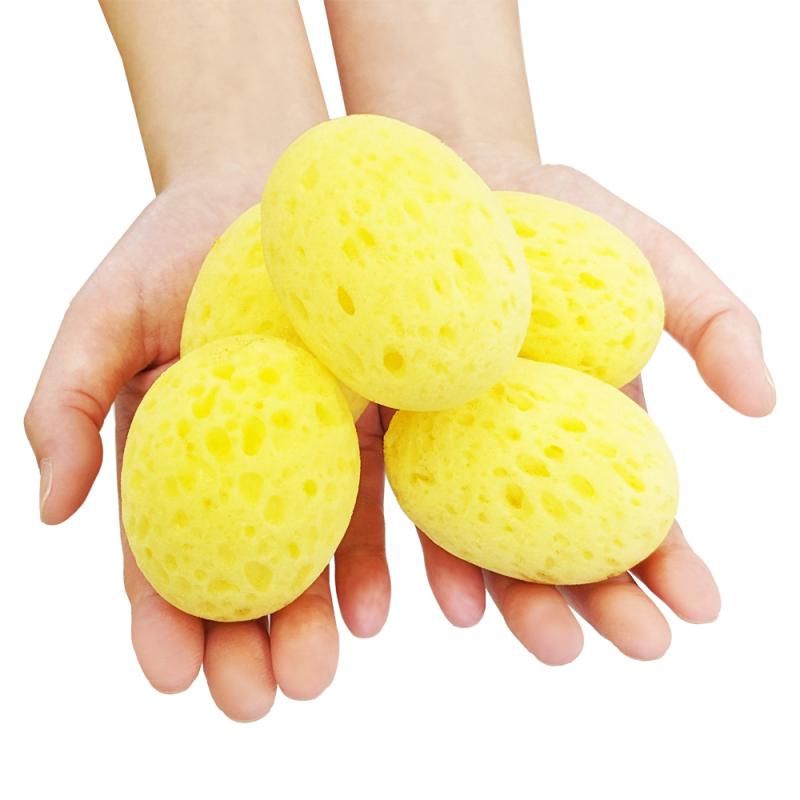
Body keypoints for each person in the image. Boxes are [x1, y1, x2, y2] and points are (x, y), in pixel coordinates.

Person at [24, 0, 775, 722]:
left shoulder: (464, 335)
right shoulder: (274, 326)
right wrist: (233, 125)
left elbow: (430, 270)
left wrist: (449, 121)